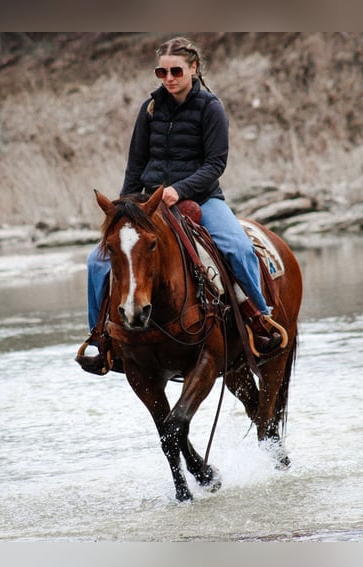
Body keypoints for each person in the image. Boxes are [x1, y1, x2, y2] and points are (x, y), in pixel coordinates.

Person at [77, 36, 281, 375]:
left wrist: (180, 189)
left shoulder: (211, 107)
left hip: (201, 197)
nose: (168, 78)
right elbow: (136, 164)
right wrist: (125, 207)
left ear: (193, 69)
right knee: (96, 261)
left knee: (238, 247)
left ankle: (260, 320)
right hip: (149, 203)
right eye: (162, 71)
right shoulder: (150, 108)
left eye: (175, 71)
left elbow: (216, 163)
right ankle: (101, 339)